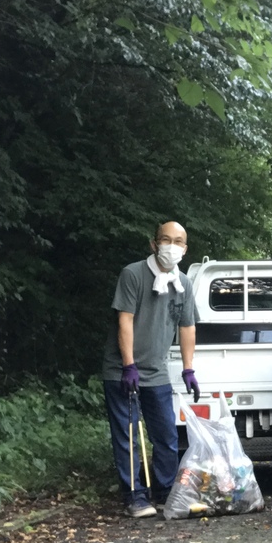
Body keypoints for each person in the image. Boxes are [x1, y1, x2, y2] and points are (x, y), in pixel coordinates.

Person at [102, 221, 201, 518]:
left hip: (156, 370)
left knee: (166, 435)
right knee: (129, 434)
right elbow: (125, 320)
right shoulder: (133, 274)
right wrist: (129, 364)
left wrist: (188, 368)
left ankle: (164, 492)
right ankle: (135, 496)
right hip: (122, 369)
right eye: (166, 239)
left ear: (185, 248)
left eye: (178, 241)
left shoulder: (183, 282)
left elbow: (187, 326)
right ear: (154, 243)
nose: (172, 246)